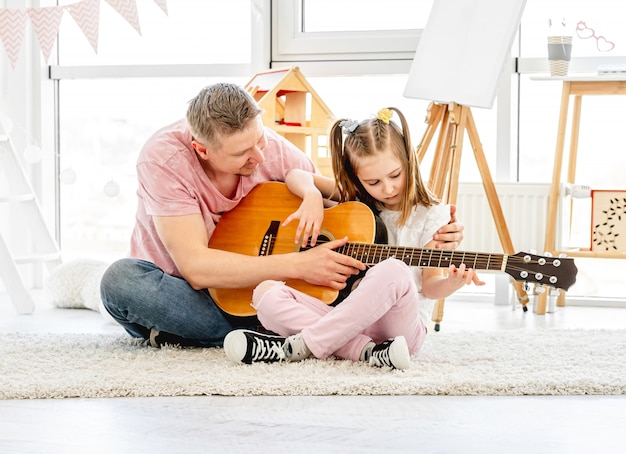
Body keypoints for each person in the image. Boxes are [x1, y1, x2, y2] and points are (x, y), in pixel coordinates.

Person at [100, 84, 464, 348]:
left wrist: (432, 227)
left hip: (264, 295)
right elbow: (196, 268)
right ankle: (281, 333)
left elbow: (351, 198)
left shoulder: (267, 145)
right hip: (188, 293)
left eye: (261, 139)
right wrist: (299, 265)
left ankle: (275, 334)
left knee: (284, 302)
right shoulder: (164, 161)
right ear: (202, 150)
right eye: (243, 152)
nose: (260, 156)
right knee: (120, 281)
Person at [224, 107, 484, 369]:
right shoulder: (356, 199)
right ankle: (368, 352)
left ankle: (298, 346)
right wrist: (313, 197)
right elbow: (296, 175)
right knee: (265, 294)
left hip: (401, 328)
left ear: (408, 161)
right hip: (349, 322)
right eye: (373, 182)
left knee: (394, 269)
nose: (388, 188)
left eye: (395, 175)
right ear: (357, 179)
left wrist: (452, 282)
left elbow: (430, 287)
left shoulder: (432, 216)